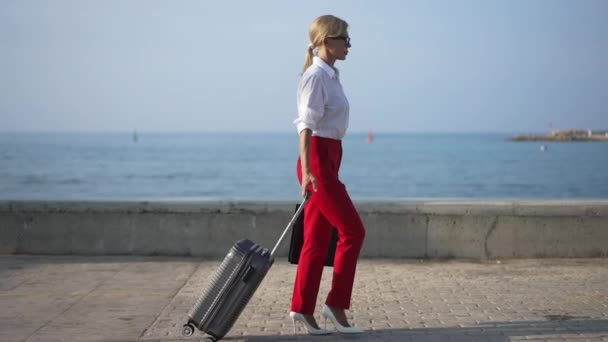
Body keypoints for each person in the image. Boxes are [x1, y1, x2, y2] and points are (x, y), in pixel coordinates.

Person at [289, 14, 366, 335]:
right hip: (317, 161)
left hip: (329, 157)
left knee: (316, 242)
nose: (349, 45)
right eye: (344, 38)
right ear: (326, 41)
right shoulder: (316, 76)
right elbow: (305, 126)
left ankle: (301, 309)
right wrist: (308, 172)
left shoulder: (331, 75)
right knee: (353, 231)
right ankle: (335, 304)